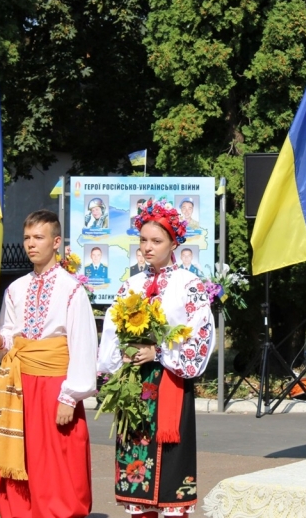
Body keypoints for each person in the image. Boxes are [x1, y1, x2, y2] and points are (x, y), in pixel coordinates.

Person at [98, 199, 215, 517]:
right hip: (134, 387)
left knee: (172, 474)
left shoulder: (189, 285)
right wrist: (119, 356)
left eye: (156, 241)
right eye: (143, 240)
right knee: (137, 476)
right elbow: (111, 331)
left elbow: (200, 336)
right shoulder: (130, 286)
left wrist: (159, 351)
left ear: (174, 242)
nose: (148, 247)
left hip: (170, 384)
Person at [0, 210, 97, 518]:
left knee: (57, 458)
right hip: (20, 383)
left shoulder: (71, 289)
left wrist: (70, 396)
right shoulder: (16, 288)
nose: (31, 244)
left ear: (56, 242)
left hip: (55, 385)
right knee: (24, 454)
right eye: (27, 238)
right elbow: (10, 339)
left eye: (39, 238)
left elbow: (83, 345)